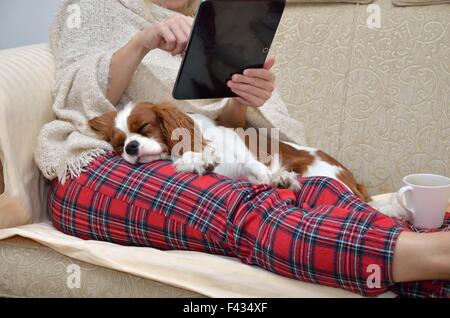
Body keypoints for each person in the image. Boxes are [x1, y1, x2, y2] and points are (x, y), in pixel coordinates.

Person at [36, 0, 449, 297]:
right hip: (100, 170)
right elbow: (79, 99)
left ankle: (424, 270)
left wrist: (242, 100)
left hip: (194, 162)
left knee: (298, 189)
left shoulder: (209, 25)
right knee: (244, 209)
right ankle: (426, 253)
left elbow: (223, 133)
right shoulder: (93, 9)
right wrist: (142, 42)